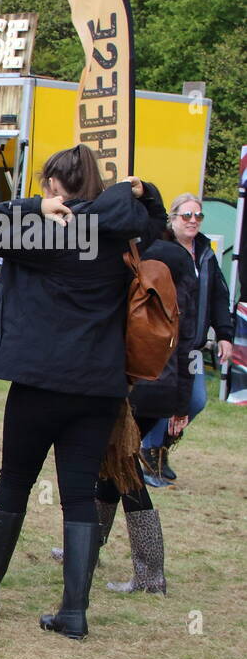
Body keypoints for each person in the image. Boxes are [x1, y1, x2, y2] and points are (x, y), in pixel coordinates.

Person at [0, 145, 165, 639]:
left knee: (14, 482)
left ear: (54, 185)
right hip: (97, 387)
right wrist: (145, 190)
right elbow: (156, 225)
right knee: (77, 496)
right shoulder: (119, 232)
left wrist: (31, 208)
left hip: (38, 382)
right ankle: (74, 611)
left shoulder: (44, 229)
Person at [94, 228, 199, 595]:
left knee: (124, 469)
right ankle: (88, 548)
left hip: (141, 386)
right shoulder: (177, 273)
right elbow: (188, 345)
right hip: (159, 388)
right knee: (112, 464)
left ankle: (150, 574)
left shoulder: (149, 270)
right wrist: (181, 401)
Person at [137, 194, 234, 484]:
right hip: (162, 342)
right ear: (173, 218)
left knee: (195, 401)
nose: (193, 221)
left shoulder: (205, 253)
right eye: (186, 216)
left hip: (192, 343)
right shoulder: (159, 249)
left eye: (198, 216)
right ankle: (148, 452)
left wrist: (225, 335)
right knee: (161, 398)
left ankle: (158, 447)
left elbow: (219, 295)